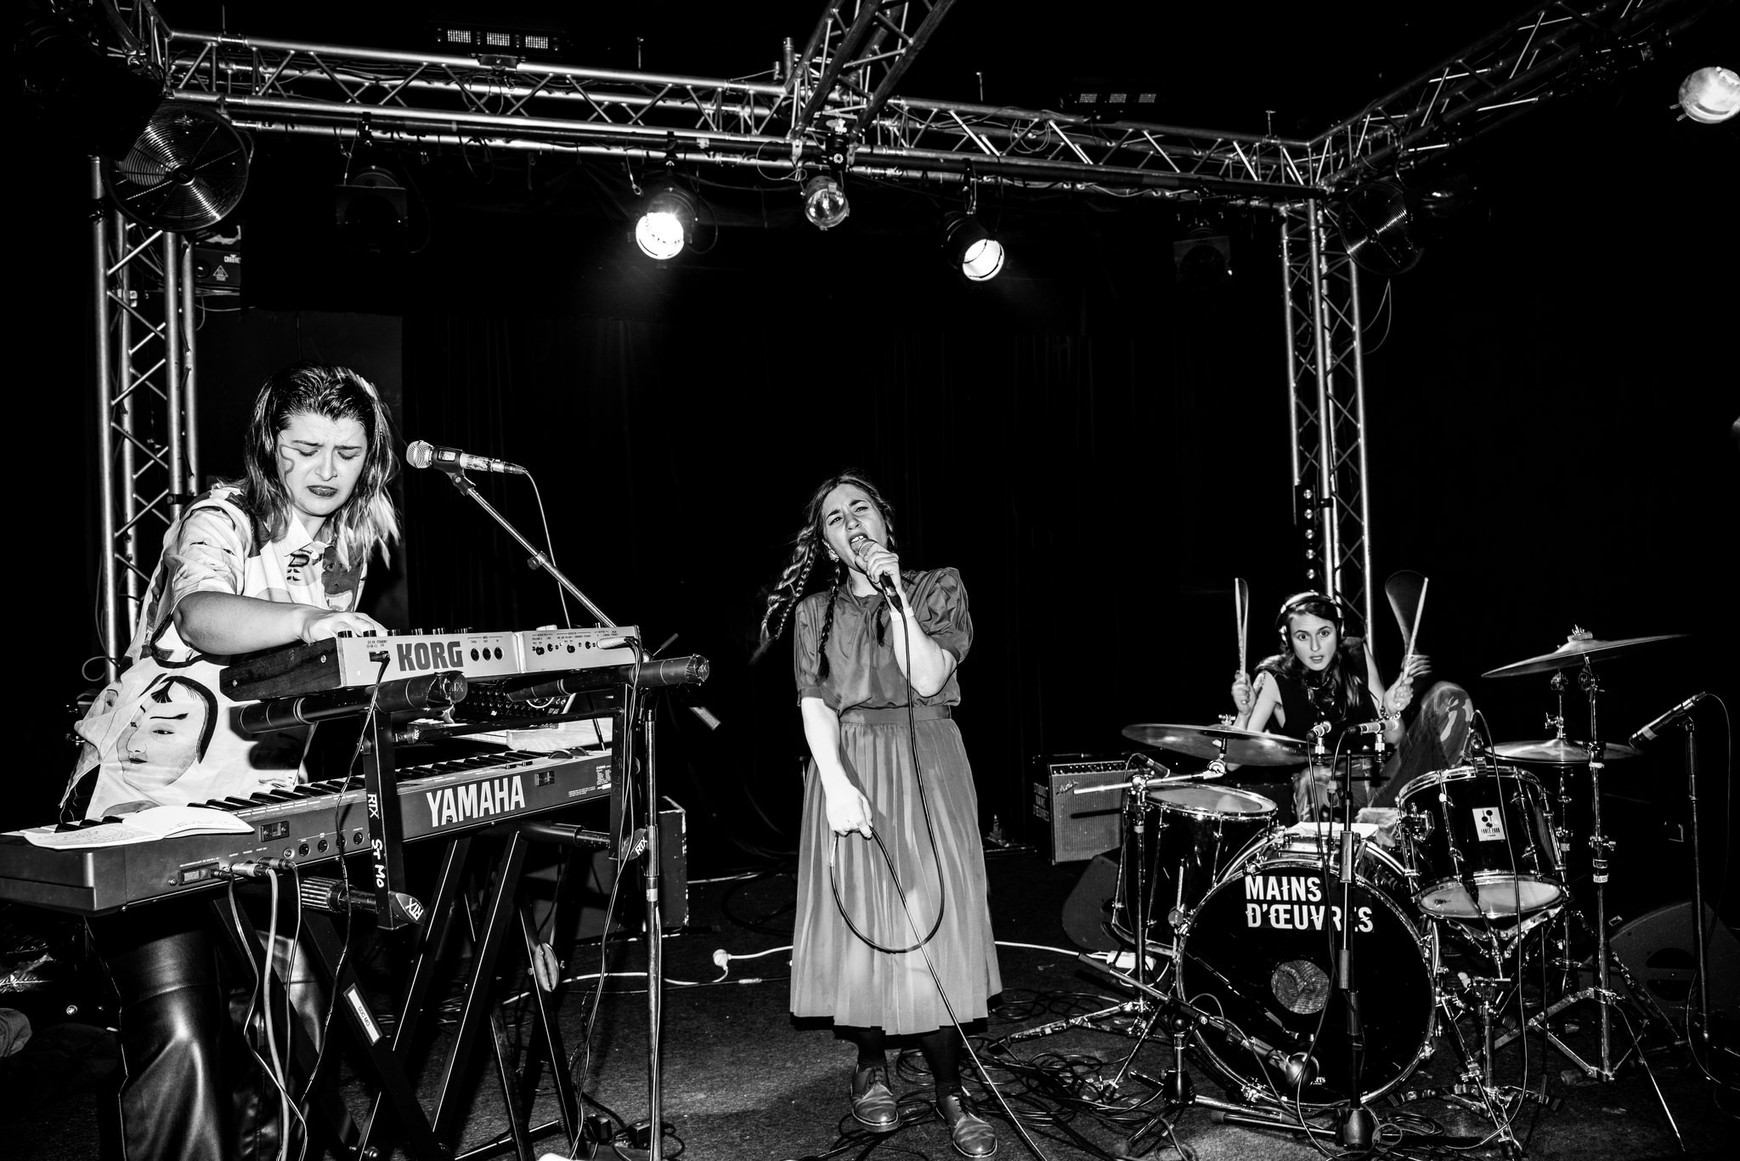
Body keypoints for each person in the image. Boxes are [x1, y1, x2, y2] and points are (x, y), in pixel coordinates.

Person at [62, 361, 398, 1161]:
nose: (326, 471)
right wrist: (316, 620)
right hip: (145, 805)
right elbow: (206, 617)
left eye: (346, 453)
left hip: (256, 805)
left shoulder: (352, 542)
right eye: (305, 448)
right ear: (269, 447)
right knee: (180, 1026)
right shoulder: (225, 516)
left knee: (304, 1007)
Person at [756, 472, 1000, 1159]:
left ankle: (950, 1084)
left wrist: (894, 598)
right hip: (852, 763)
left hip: (928, 759)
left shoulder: (935, 586)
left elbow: (925, 677)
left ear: (885, 522)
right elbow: (814, 704)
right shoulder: (815, 611)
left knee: (935, 919)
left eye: (860, 508)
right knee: (860, 919)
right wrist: (833, 780)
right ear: (829, 544)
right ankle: (872, 1064)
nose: (851, 522)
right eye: (836, 518)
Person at [1230, 591, 1474, 823]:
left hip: (1383, 780)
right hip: (1323, 782)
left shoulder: (1357, 655)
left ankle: (1419, 810)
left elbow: (1396, 736)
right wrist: (1244, 714)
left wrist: (1390, 709)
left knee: (1449, 697)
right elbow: (1232, 763)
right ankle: (1349, 852)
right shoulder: (1275, 677)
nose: (1315, 647)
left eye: (1324, 633)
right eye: (1303, 636)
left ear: (1339, 631)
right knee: (1315, 780)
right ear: (1288, 638)